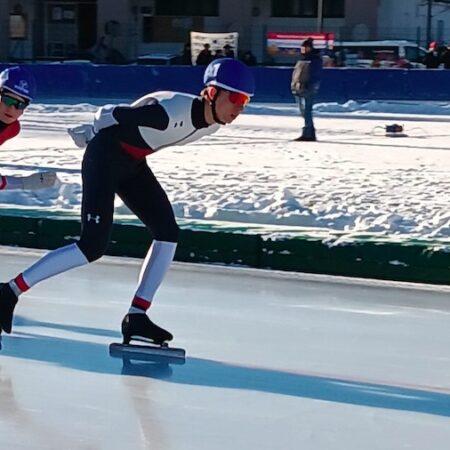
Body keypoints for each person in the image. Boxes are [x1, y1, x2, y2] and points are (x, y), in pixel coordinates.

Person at [0, 58, 255, 345]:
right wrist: (92, 132)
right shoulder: (170, 112)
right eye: (235, 98)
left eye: (245, 102)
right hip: (104, 159)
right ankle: (9, 291)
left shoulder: (212, 125)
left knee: (168, 233)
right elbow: (111, 113)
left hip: (133, 161)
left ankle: (137, 316)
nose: (239, 108)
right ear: (211, 92)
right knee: (92, 246)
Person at [0, 66, 56, 191]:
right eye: (7, 100)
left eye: (20, 105)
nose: (12, 109)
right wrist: (23, 183)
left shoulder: (12, 128)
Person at [290, 38, 323, 141]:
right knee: (303, 111)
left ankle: (308, 133)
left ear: (309, 48)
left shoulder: (314, 59)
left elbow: (315, 74)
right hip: (300, 87)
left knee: (307, 111)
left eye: (305, 47)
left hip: (308, 88)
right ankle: (310, 132)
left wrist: (310, 85)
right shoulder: (303, 58)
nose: (303, 49)